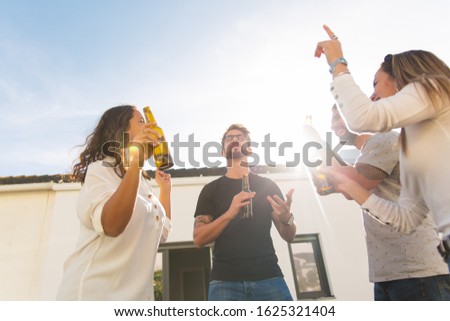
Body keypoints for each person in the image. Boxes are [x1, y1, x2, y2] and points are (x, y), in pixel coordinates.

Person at [315, 25, 450, 267]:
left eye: (376, 83)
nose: (373, 94)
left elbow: (362, 119)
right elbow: (406, 219)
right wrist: (348, 186)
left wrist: (337, 63)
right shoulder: (411, 147)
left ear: (402, 78)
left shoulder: (436, 87)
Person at [328, 104, 450, 300]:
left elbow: (356, 183)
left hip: (417, 272)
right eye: (332, 119)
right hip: (391, 273)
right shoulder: (368, 153)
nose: (334, 125)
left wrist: (316, 147)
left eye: (339, 117)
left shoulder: (385, 139)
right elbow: (346, 186)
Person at [57, 105, 172, 300]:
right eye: (141, 121)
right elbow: (112, 225)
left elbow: (161, 233)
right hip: (94, 296)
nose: (150, 125)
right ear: (122, 131)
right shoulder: (101, 170)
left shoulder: (142, 184)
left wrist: (165, 192)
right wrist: (136, 161)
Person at [193, 124, 296, 301]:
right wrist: (229, 213)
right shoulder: (210, 190)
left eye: (240, 137)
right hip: (224, 282)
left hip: (269, 277)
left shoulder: (268, 186)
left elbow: (289, 236)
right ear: (221, 151)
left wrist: (287, 219)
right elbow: (199, 239)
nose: (234, 140)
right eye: (229, 138)